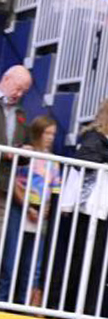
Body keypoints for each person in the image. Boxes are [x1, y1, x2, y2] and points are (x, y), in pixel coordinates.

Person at [50, 99, 108, 318]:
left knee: (93, 264)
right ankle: (62, 309)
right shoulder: (94, 139)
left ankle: (83, 311)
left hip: (100, 214)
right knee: (78, 262)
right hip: (86, 213)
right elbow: (81, 160)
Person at [0, 116, 60, 306]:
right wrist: (27, 207)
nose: (50, 137)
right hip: (19, 210)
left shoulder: (54, 161)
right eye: (47, 133)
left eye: (53, 134)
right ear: (37, 132)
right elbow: (13, 182)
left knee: (33, 265)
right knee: (9, 261)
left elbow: (54, 189)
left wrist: (47, 209)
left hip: (41, 214)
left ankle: (24, 305)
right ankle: (2, 300)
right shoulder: (26, 154)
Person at [0, 65, 32, 246]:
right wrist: (5, 153)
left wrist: (26, 151)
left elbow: (23, 144)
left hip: (4, 185)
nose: (19, 94)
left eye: (24, 92)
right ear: (6, 79)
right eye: (18, 88)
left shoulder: (21, 113)